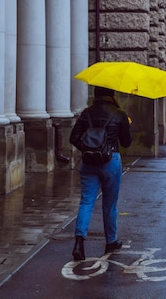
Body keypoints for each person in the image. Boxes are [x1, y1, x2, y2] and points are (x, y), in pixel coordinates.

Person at [69, 86, 133, 261]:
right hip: (111, 161)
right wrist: (126, 124)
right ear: (112, 95)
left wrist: (88, 149)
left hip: (88, 162)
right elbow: (126, 143)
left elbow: (73, 137)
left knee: (86, 202)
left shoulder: (86, 113)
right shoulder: (119, 114)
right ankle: (111, 240)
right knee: (110, 204)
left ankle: (79, 243)